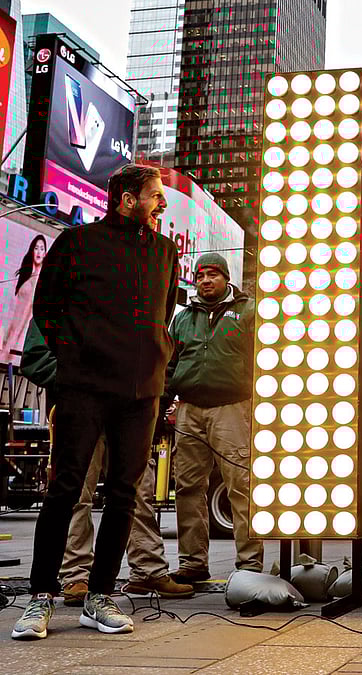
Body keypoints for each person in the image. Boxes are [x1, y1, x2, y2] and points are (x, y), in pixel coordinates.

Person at [12, 164, 179, 640]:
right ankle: (40, 597)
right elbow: (46, 306)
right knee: (65, 489)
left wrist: (156, 361)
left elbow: (163, 313)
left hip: (141, 392)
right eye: (155, 195)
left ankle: (99, 597)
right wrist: (74, 359)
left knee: (124, 494)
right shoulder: (77, 243)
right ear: (128, 199)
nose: (160, 203)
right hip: (82, 387)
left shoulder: (164, 251)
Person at [18, 322, 193, 607]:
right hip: (81, 405)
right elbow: (36, 355)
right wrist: (75, 384)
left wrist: (150, 394)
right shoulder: (68, 296)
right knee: (75, 492)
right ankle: (76, 573)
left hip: (127, 406)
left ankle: (147, 567)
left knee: (135, 492)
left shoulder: (130, 297)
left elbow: (157, 347)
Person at [161, 252, 263, 584]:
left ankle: (249, 564)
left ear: (226, 278)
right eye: (200, 276)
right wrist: (164, 401)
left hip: (233, 409)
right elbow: (169, 364)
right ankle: (193, 563)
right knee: (188, 487)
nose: (206, 281)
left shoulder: (248, 312)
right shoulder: (182, 319)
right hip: (189, 410)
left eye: (213, 275)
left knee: (241, 485)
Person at [0, 235, 47, 361]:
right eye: (36, 248)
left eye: (42, 249)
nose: (38, 252)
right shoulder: (29, 275)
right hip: (10, 333)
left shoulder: (37, 279)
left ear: (45, 253)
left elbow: (24, 316)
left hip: (17, 340)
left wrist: (9, 346)